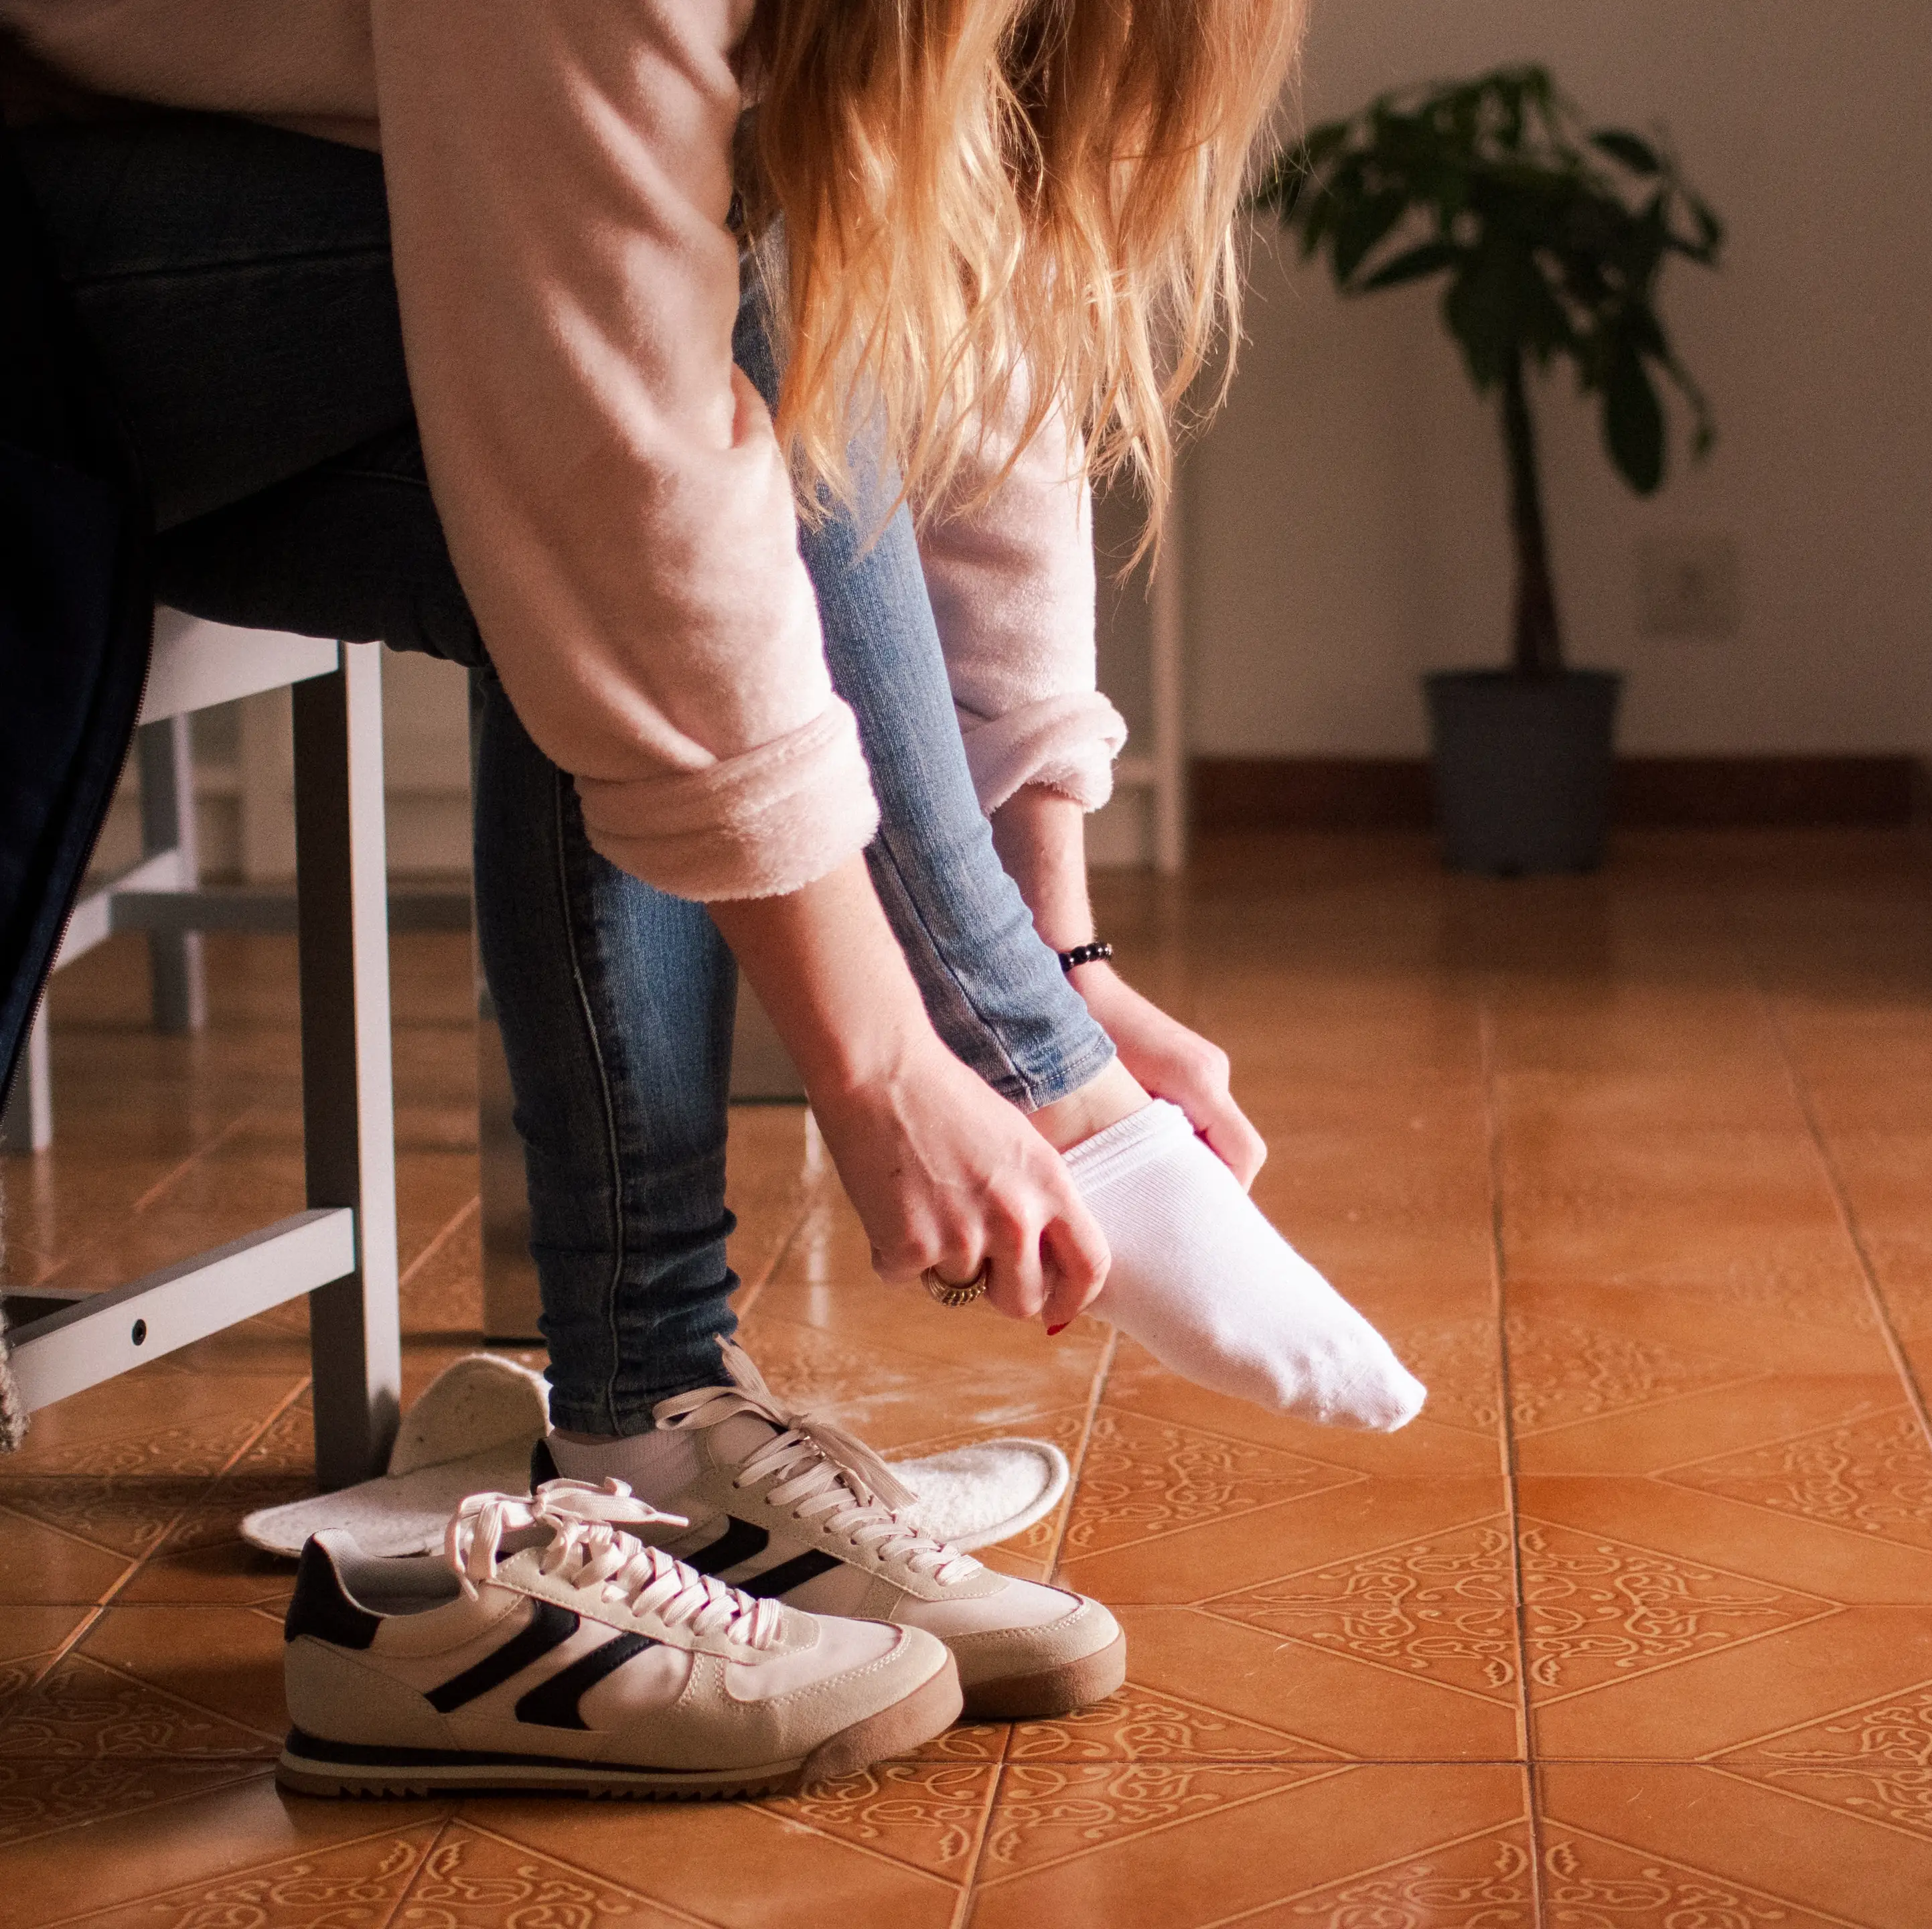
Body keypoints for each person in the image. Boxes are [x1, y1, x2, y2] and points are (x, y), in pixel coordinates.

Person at [1, 0, 1421, 1794]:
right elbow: (622, 430)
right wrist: (918, 1059)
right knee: (715, 326)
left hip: (265, 220)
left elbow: (976, 370)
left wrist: (1062, 940)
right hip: (44, 265)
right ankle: (991, 1135)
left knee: (765, 332)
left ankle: (642, 1428)